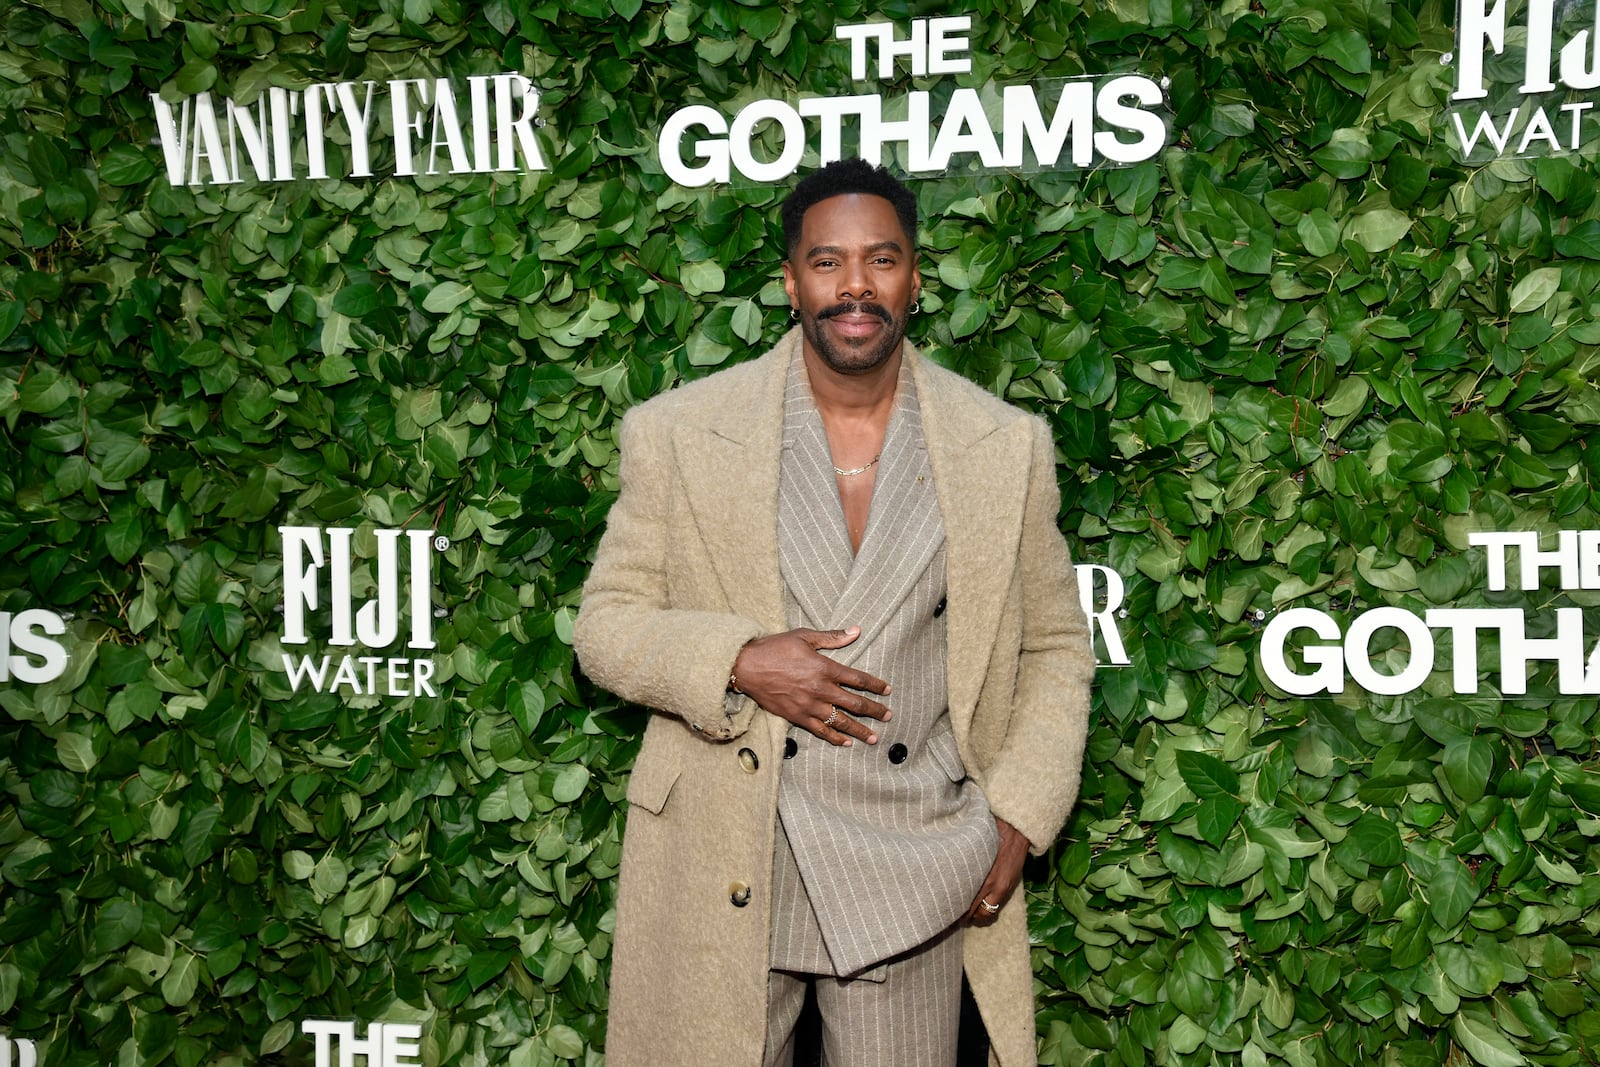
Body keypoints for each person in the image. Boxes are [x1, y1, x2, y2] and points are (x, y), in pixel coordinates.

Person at [573, 157, 1094, 1067]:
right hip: (734, 844)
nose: (856, 284)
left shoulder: (1003, 444)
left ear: (916, 279)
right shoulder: (679, 430)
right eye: (827, 262)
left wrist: (1016, 816)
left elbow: (1055, 645)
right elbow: (605, 625)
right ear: (789, 280)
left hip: (915, 858)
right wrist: (738, 657)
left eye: (882, 259)